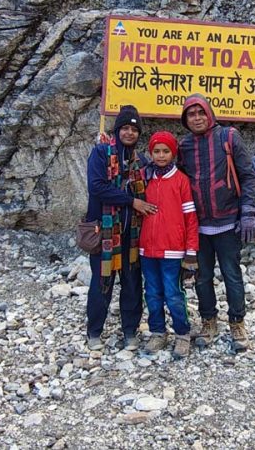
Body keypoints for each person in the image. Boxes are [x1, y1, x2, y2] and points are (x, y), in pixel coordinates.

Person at [178, 94, 255, 352]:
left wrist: (247, 212)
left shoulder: (229, 137)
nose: (197, 118)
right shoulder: (185, 146)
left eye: (201, 112)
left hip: (228, 223)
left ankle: (237, 322)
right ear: (185, 119)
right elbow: (176, 180)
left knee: (232, 275)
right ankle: (208, 321)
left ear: (210, 114)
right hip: (198, 226)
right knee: (201, 277)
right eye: (191, 114)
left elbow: (248, 175)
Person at [85, 105, 157, 351]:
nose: (129, 133)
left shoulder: (142, 161)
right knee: (102, 281)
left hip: (133, 234)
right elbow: (97, 187)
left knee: (132, 282)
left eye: (134, 129)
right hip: (104, 232)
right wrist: (132, 201)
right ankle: (94, 331)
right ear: (117, 131)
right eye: (125, 128)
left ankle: (130, 331)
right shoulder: (101, 153)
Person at [139, 131, 199, 359]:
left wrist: (191, 250)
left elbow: (190, 218)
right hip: (147, 248)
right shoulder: (145, 178)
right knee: (152, 292)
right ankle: (157, 331)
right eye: (156, 151)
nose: (161, 156)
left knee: (173, 293)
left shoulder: (181, 180)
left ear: (173, 153)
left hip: (173, 249)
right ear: (151, 153)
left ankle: (182, 334)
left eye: (166, 151)